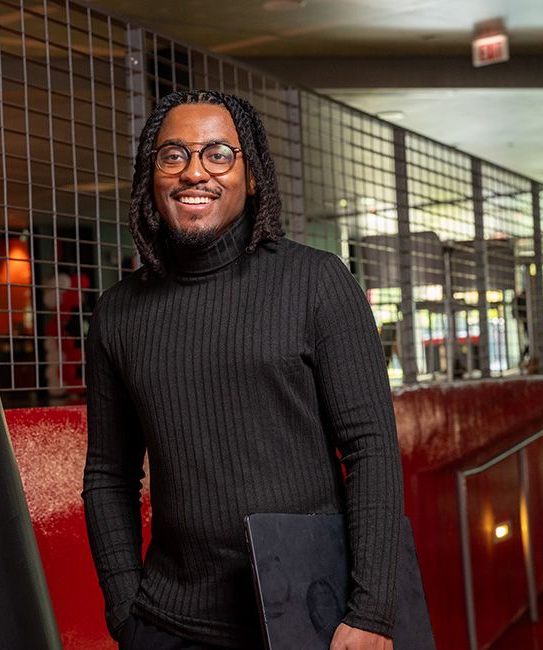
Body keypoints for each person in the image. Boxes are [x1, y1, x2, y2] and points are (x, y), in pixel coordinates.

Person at [82, 90, 402, 650]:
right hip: (168, 622)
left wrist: (372, 611)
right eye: (173, 155)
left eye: (218, 154)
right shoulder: (118, 312)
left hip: (312, 614)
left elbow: (370, 448)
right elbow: (109, 474)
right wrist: (125, 610)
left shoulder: (317, 283)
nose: (194, 172)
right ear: (150, 176)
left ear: (251, 176)